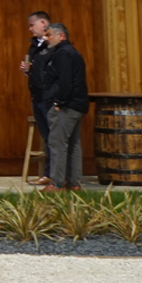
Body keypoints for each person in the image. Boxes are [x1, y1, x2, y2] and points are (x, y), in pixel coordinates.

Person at [37, 21, 88, 191]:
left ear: (61, 36)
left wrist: (59, 101)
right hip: (78, 105)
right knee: (73, 144)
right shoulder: (72, 52)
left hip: (66, 106)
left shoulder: (63, 54)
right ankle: (74, 183)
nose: (46, 38)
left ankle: (57, 183)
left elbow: (65, 82)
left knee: (57, 144)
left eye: (49, 34)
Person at [18, 11, 51, 183]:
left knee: (53, 136)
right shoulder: (33, 46)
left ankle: (52, 174)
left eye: (32, 25)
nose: (30, 29)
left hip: (49, 96)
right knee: (45, 134)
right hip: (36, 95)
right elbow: (36, 69)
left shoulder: (52, 45)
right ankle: (48, 173)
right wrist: (27, 70)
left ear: (43, 24)